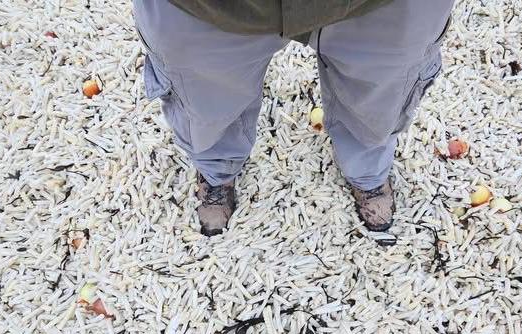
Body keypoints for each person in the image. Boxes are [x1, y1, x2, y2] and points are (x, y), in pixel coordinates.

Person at [133, 0, 454, 236]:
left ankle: (368, 170)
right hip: (208, 7)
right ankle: (216, 168)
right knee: (205, 100)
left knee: (380, 97)